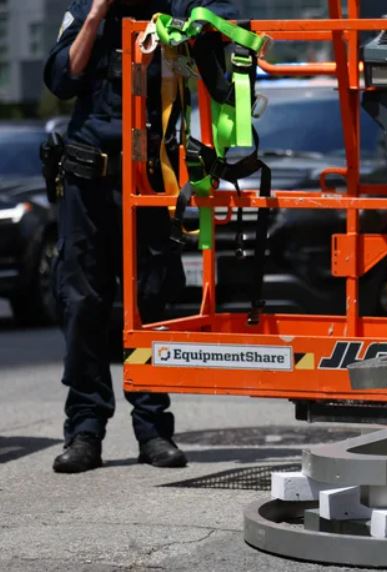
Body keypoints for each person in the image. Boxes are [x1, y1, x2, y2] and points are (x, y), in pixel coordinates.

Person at [44, 0, 239, 474]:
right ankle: (85, 432)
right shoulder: (89, 11)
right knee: (83, 304)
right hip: (90, 182)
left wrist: (191, 29)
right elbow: (61, 80)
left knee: (150, 301)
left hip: (153, 178)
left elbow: (227, 29)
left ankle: (153, 431)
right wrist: (95, 14)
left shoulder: (174, 6)